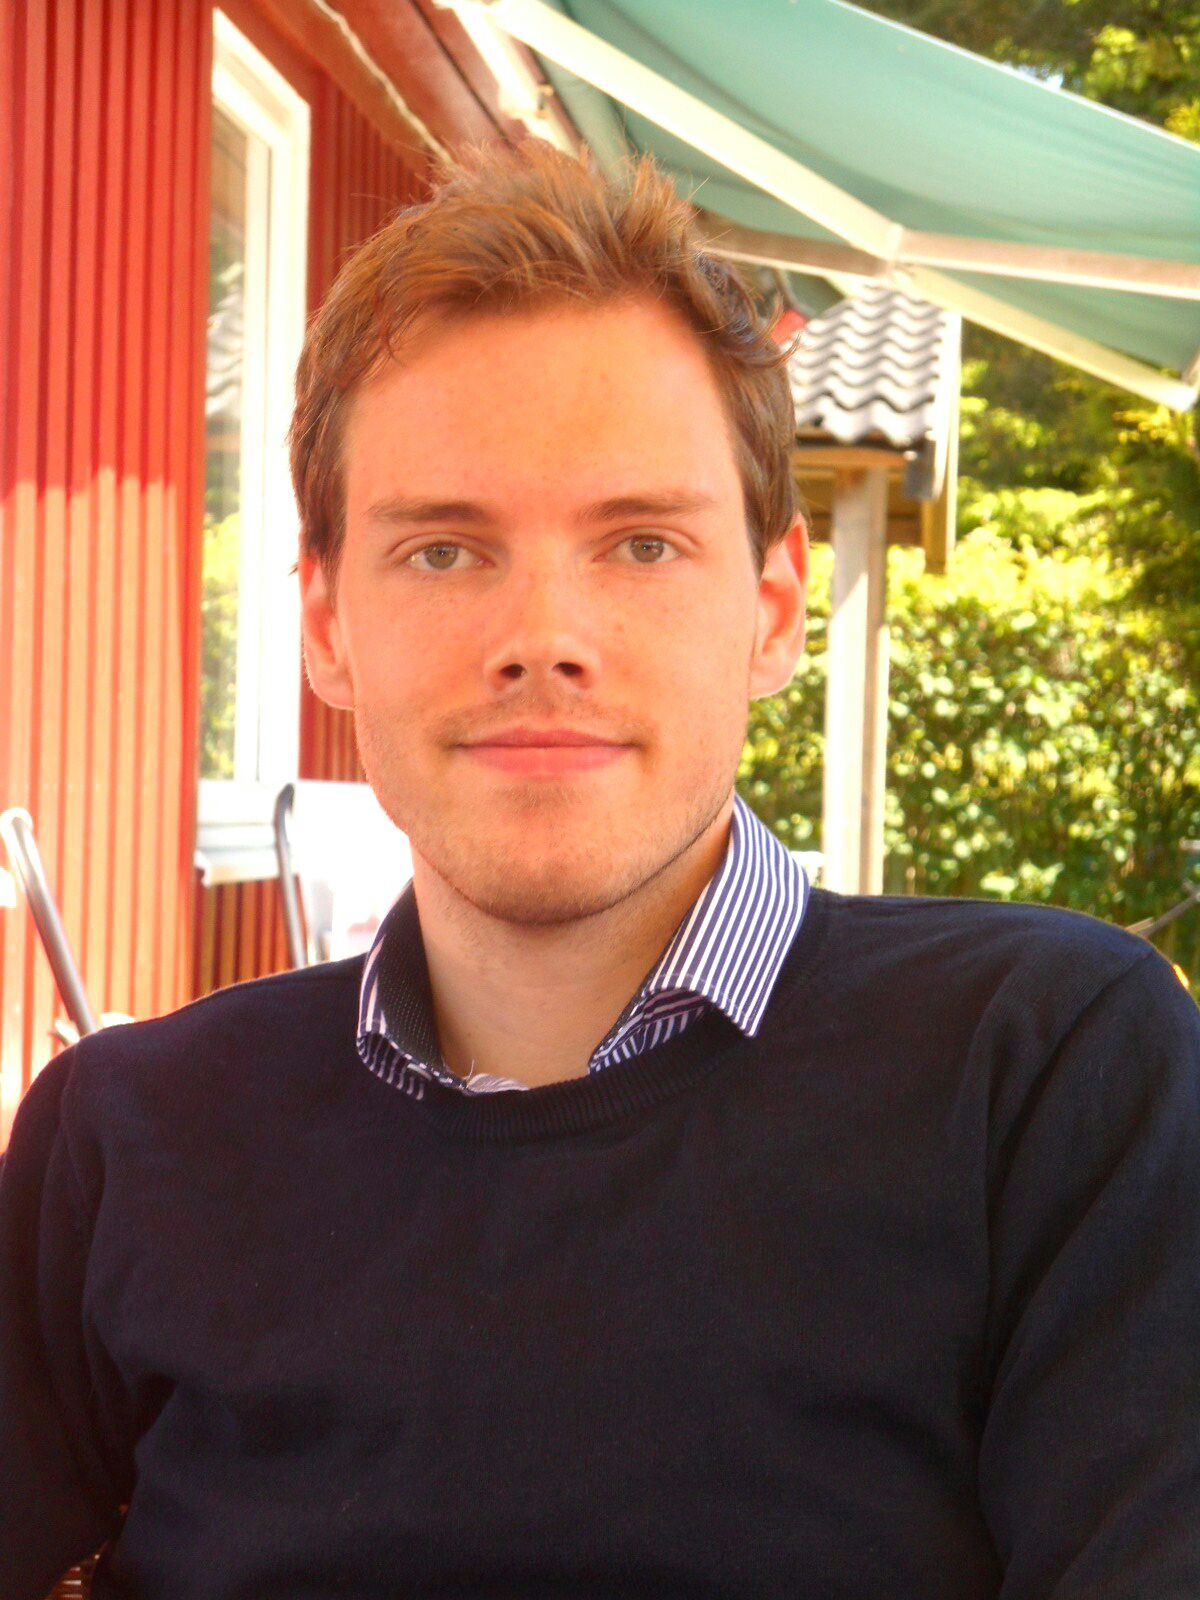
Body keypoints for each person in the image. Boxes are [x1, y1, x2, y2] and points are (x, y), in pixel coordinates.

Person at [2, 142, 1197, 1600]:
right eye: (444, 552)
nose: (543, 638)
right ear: (324, 627)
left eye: (639, 544)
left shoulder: (1049, 1074)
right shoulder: (125, 1139)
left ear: (772, 613)